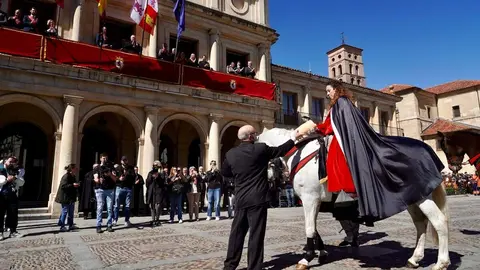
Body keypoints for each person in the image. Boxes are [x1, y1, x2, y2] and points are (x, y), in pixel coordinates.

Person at [311, 80, 444, 226]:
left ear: (336, 89)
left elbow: (331, 127)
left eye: (329, 90)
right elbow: (333, 125)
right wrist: (320, 128)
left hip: (343, 143)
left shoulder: (341, 102)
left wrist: (316, 128)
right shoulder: (341, 104)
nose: (327, 94)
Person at [222, 125, 300, 270]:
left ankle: (229, 266)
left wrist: (240, 177)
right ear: (251, 137)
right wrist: (293, 138)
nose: (257, 135)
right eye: (255, 133)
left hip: (241, 198)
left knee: (236, 234)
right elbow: (280, 150)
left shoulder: (231, 154)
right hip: (258, 199)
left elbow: (225, 172)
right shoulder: (260, 149)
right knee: (256, 235)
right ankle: (254, 267)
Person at [55, 164, 80, 232]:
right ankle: (62, 226)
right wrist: (73, 185)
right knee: (65, 211)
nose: (76, 169)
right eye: (75, 168)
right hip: (65, 197)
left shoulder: (73, 176)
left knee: (71, 212)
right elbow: (63, 186)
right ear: (72, 169)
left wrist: (76, 185)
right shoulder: (66, 176)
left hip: (71, 197)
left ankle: (70, 225)